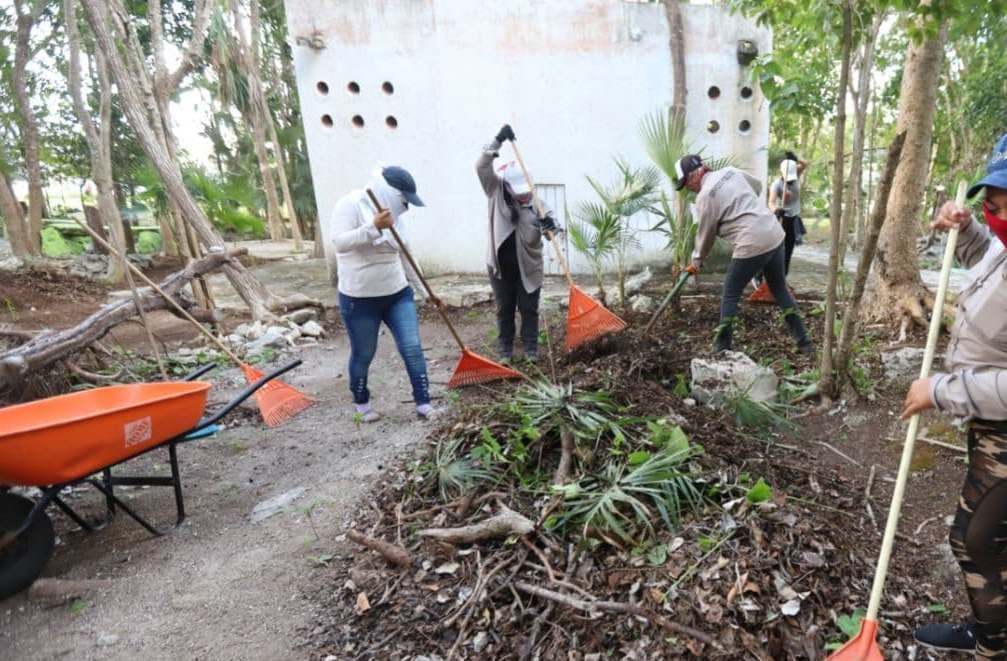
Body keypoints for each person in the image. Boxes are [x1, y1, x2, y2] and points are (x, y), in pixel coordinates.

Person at [905, 132, 1007, 660]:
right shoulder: (1004, 243)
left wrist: (943, 390)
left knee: (975, 539)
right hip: (989, 424)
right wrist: (967, 231)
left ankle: (994, 645)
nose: (989, 206)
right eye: (987, 197)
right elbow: (991, 266)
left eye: (998, 199)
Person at [328, 165, 437, 422]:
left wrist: (426, 292)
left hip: (397, 293)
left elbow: (406, 254)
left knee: (412, 347)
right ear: (389, 194)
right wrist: (373, 226)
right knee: (364, 352)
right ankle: (361, 402)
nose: (406, 208)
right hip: (359, 299)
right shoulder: (350, 205)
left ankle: (424, 403)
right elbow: (339, 243)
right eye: (404, 201)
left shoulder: (395, 217)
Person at [678, 154, 813, 355]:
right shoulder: (730, 171)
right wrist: (741, 202)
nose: (688, 187)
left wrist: (696, 261)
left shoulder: (705, 196)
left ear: (694, 175)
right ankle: (805, 343)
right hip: (774, 234)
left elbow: (706, 234)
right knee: (780, 290)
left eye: (686, 182)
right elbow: (757, 186)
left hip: (751, 243)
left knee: (730, 294)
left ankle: (721, 348)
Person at [476, 124, 560, 364]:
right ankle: (505, 352)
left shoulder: (538, 205)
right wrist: (497, 142)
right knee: (504, 310)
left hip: (529, 268)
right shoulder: (495, 191)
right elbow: (481, 166)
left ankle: (531, 349)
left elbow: (553, 233)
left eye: (527, 191)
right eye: (519, 192)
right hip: (500, 268)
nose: (524, 196)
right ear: (508, 186)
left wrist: (550, 227)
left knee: (529, 309)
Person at [767, 151, 808, 274]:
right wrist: (776, 209)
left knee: (788, 250)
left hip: (793, 219)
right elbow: (771, 202)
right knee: (775, 249)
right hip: (782, 219)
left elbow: (805, 164)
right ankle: (762, 275)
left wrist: (795, 158)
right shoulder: (776, 185)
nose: (790, 180)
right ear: (782, 173)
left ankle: (783, 276)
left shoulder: (796, 174)